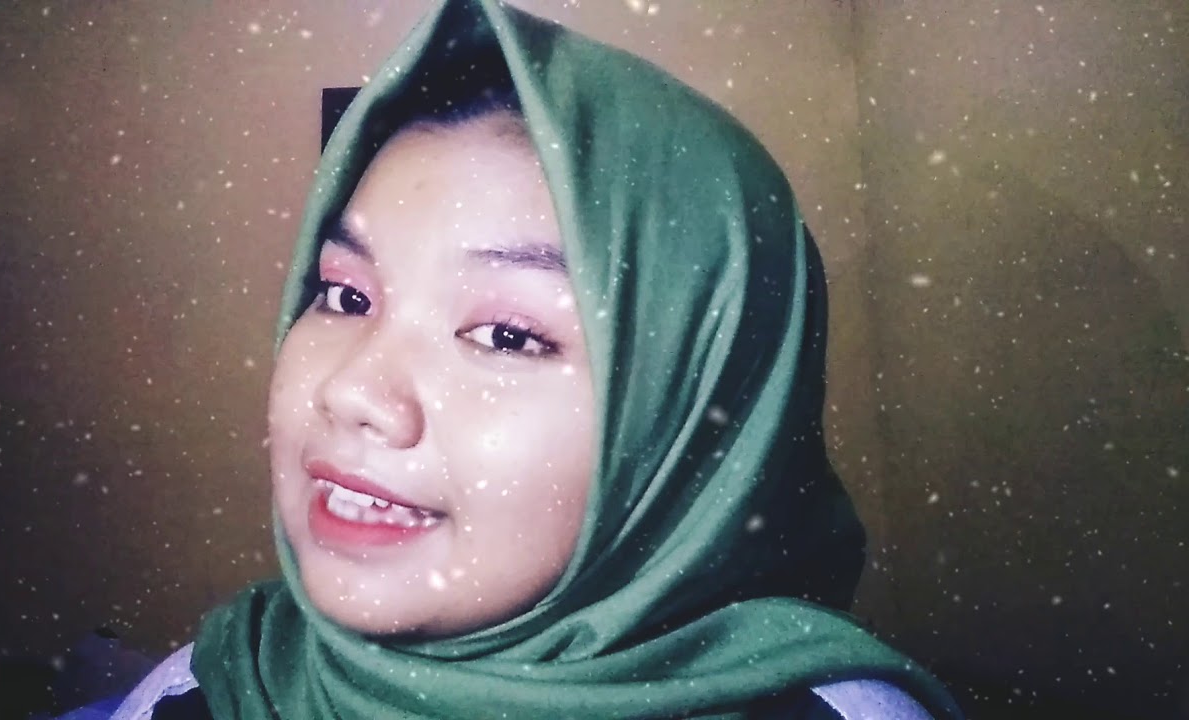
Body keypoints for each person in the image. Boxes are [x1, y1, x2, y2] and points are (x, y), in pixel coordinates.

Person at [94, 0, 963, 717]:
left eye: (507, 335)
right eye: (346, 296)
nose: (354, 389)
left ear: (691, 426)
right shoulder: (202, 691)